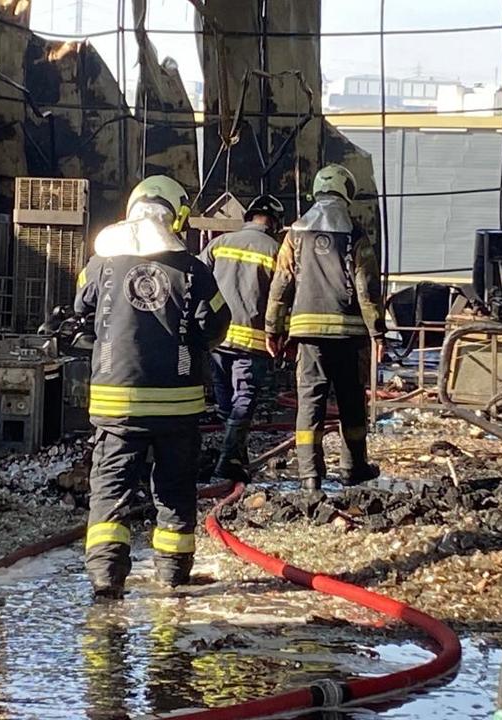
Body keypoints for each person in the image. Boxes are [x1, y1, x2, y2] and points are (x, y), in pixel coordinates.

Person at [74, 175, 231, 599]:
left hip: (116, 405)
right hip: (177, 406)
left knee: (111, 489)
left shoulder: (100, 264)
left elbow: (80, 304)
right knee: (175, 490)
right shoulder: (194, 269)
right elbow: (218, 324)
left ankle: (106, 578)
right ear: (176, 217)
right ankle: (172, 575)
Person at [265, 164, 386, 491]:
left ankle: (310, 475)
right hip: (349, 335)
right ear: (347, 192)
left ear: (316, 190)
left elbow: (281, 284)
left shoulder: (295, 233)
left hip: (308, 335)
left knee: (310, 402)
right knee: (351, 402)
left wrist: (273, 329)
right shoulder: (355, 233)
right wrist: (378, 332)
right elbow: (367, 287)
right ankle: (353, 467)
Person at [199, 195, 285, 482]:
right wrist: (281, 335)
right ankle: (228, 460)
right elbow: (283, 297)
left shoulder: (219, 244)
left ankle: (236, 457)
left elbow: (195, 280)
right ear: (275, 222)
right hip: (254, 342)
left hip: (218, 339)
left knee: (226, 402)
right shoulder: (276, 251)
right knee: (244, 399)